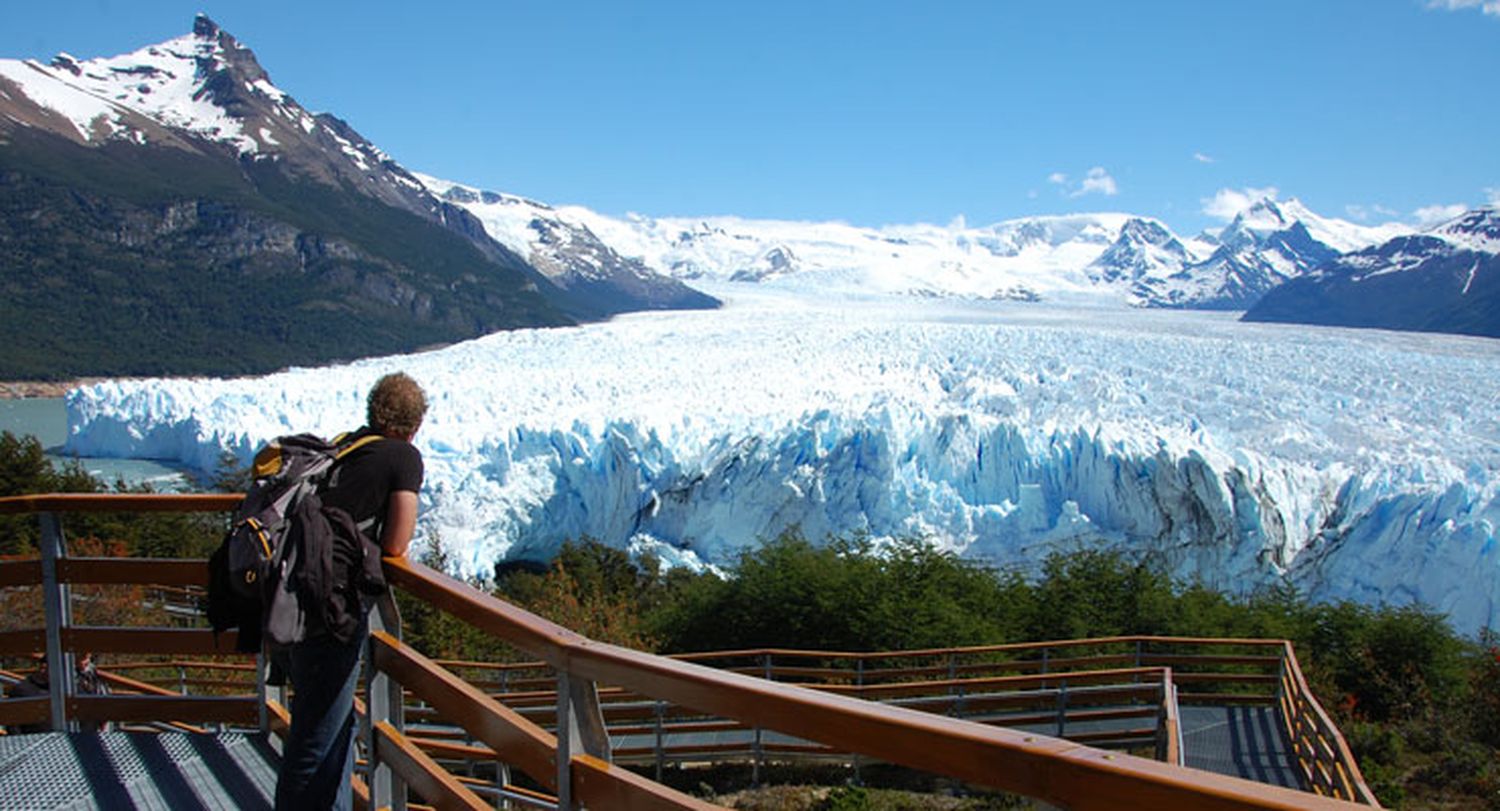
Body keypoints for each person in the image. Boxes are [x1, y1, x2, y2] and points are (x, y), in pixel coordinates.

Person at [274, 372, 426, 811]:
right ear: (415, 423)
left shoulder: (348, 446)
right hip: (329, 609)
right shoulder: (402, 457)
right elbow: (397, 541)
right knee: (315, 740)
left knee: (331, 729)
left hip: (292, 597)